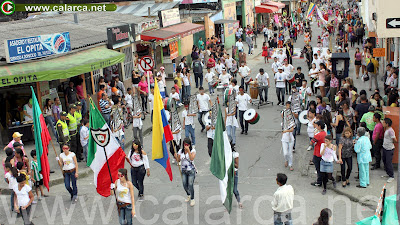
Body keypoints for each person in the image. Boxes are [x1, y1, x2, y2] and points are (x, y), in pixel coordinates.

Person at [174, 138, 197, 207]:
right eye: (184, 144)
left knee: (190, 184)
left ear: (189, 145)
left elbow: (191, 158)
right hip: (184, 171)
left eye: (187, 145)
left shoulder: (193, 151)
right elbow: (178, 160)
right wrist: (176, 157)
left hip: (191, 171)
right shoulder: (180, 151)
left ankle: (192, 199)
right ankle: (188, 194)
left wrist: (188, 151)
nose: (185, 146)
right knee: (184, 184)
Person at [310, 121, 327, 187]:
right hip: (323, 153)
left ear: (319, 126)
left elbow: (311, 142)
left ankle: (319, 181)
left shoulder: (318, 135)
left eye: (316, 125)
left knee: (318, 168)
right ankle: (325, 179)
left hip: (317, 153)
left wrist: (314, 135)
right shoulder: (324, 133)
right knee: (323, 167)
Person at [382, 118, 397, 183]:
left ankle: (391, 176)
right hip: (385, 147)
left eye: (384, 122)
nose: (383, 123)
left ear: (387, 124)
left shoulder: (390, 131)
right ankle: (388, 173)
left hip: (389, 149)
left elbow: (394, 139)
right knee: (384, 161)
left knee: (388, 162)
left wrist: (392, 142)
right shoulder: (387, 129)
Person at [281, 102, 295, 171]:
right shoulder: (283, 122)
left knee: (290, 153)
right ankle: (286, 160)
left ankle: (290, 164)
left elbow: (292, 129)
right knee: (285, 153)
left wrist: (286, 131)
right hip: (284, 139)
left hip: (290, 139)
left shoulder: (292, 121)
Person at [232, 144, 243, 208]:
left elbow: (236, 165)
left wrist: (230, 161)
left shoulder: (235, 154)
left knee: (234, 189)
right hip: (227, 173)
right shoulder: (224, 154)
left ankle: (239, 201)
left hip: (234, 173)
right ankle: (228, 205)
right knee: (227, 189)